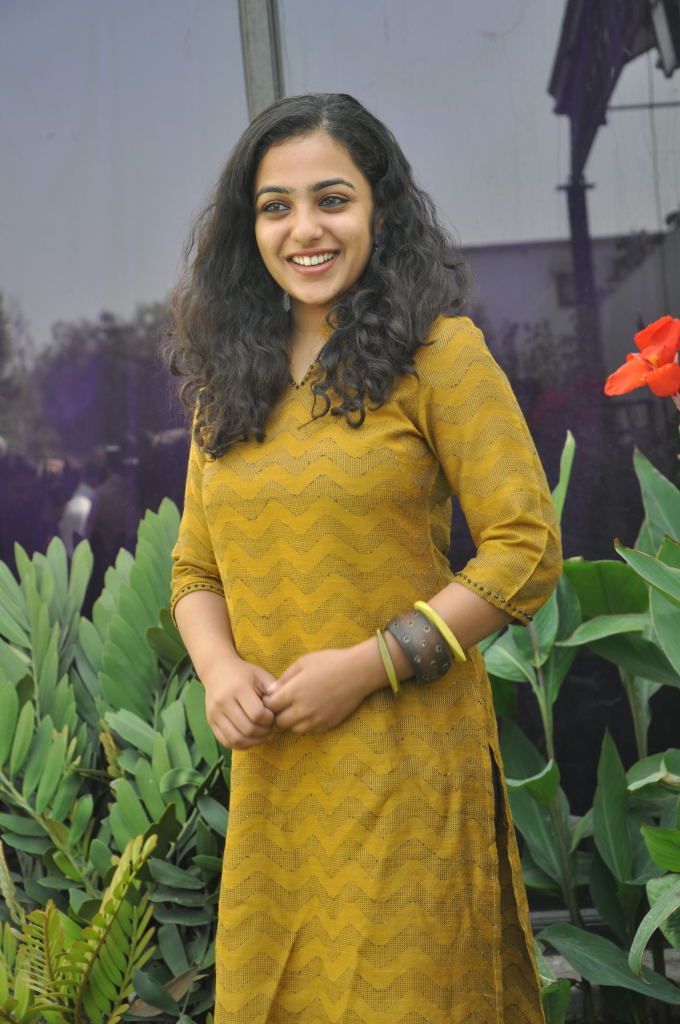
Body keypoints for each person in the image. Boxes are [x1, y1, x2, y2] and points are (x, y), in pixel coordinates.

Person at [166, 93, 561, 1024]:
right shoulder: (230, 381)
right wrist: (219, 671)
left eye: (332, 199)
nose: (305, 229)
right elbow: (195, 571)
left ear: (379, 209)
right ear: (249, 228)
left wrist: (370, 665)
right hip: (279, 778)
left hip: (407, 768)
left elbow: (526, 547)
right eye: (276, 206)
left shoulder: (440, 356)